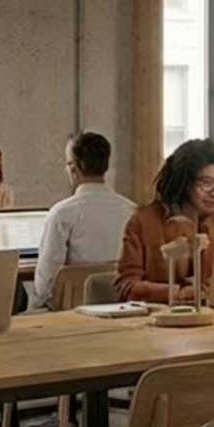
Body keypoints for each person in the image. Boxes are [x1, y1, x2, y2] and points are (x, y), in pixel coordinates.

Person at [114, 137, 214, 304]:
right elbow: (126, 285)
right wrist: (177, 293)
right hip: (156, 320)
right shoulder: (143, 220)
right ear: (184, 180)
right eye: (207, 183)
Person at [31, 132, 135, 312]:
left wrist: (34, 307)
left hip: (71, 312)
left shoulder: (62, 213)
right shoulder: (132, 211)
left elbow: (45, 280)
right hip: (123, 308)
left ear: (73, 168)